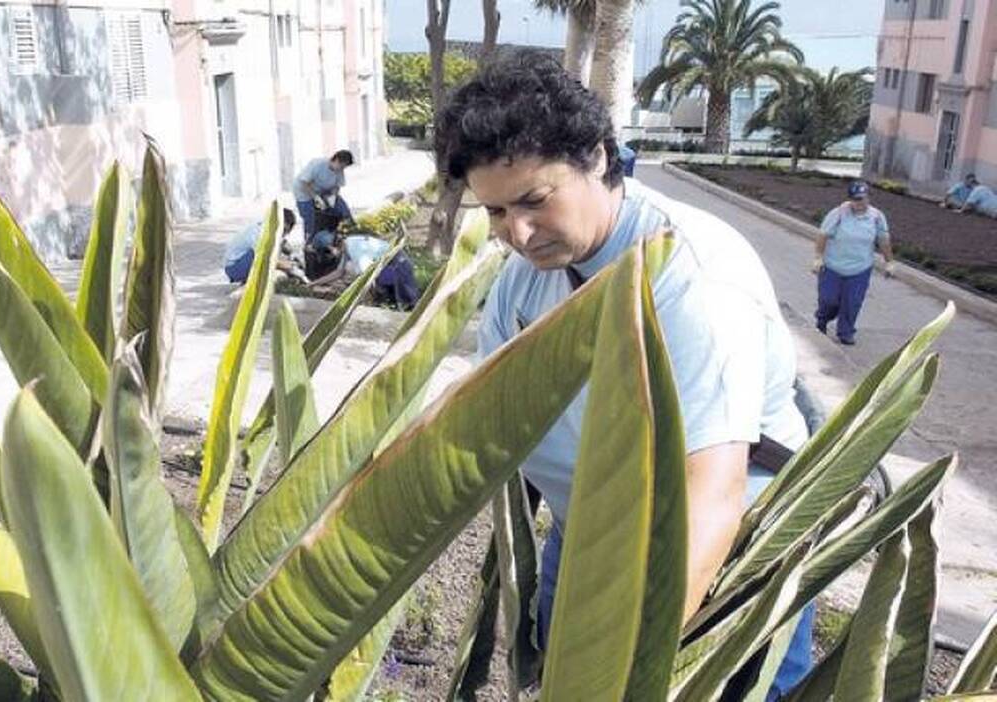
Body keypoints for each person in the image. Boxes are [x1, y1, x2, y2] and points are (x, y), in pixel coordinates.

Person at [436, 53, 813, 698]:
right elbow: (482, 418)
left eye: (533, 201)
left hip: (723, 544)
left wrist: (630, 666)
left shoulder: (692, 276)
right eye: (496, 213)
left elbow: (710, 494)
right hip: (586, 530)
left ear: (601, 159)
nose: (518, 234)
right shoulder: (525, 277)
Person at [812, 181, 894, 346]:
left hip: (860, 269)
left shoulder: (877, 217)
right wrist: (818, 257)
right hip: (833, 267)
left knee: (852, 302)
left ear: (868, 198)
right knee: (829, 300)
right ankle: (822, 319)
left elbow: (883, 240)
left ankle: (846, 332)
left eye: (861, 199)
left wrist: (889, 262)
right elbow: (823, 235)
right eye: (855, 199)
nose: (858, 203)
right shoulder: (838, 214)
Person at [223, 208, 306, 284]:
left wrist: (294, 256)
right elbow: (267, 258)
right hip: (234, 268)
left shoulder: (270, 228)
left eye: (286, 232)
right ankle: (248, 284)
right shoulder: (259, 233)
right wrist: (291, 268)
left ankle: (251, 280)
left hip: (241, 262)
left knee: (276, 252)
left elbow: (283, 243)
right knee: (266, 258)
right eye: (283, 230)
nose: (283, 234)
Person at [293, 150, 355, 239]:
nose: (342, 169)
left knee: (342, 209)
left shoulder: (339, 170)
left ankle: (347, 235)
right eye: (341, 166)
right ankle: (309, 243)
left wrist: (333, 197)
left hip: (323, 191)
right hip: (304, 191)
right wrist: (315, 197)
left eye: (344, 167)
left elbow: (337, 185)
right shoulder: (317, 164)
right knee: (311, 218)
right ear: (336, 160)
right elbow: (304, 183)